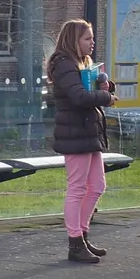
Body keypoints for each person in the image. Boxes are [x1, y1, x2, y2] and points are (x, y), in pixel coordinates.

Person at [46, 19, 118, 264]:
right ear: (73, 40)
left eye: (92, 38)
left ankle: (83, 234)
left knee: (97, 185)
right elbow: (78, 96)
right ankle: (74, 241)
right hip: (74, 132)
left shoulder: (83, 63)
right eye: (87, 38)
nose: (92, 43)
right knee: (77, 187)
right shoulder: (64, 64)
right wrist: (105, 97)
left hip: (88, 131)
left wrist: (104, 87)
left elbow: (88, 90)